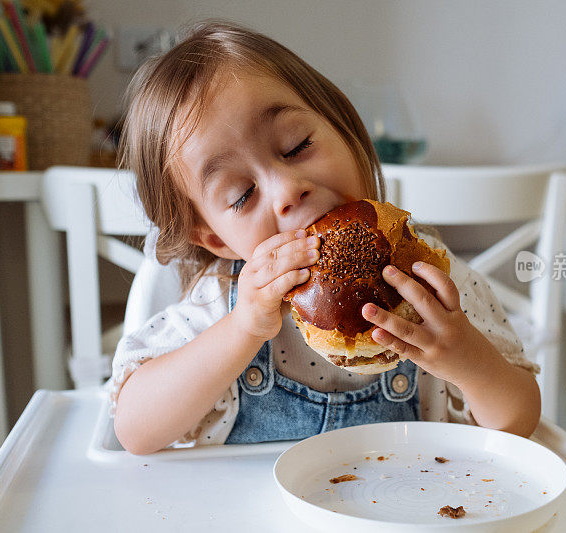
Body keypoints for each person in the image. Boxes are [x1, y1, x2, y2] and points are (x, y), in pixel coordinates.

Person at [111, 20, 541, 455]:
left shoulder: (431, 278)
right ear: (217, 240)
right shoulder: (218, 303)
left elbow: (518, 423)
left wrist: (469, 362)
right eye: (242, 195)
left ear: (346, 131)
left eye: (297, 146)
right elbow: (133, 431)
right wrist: (241, 329)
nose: (286, 190)